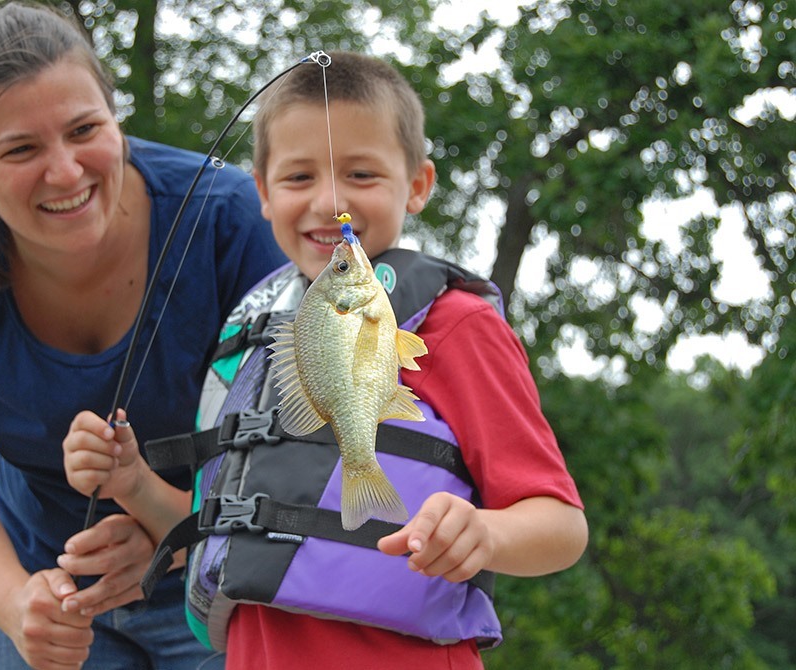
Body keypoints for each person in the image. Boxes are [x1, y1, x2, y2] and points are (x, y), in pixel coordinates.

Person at [63, 51, 588, 669]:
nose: (330, 203)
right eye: (298, 178)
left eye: (362, 175)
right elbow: (223, 527)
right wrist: (132, 481)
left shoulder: (456, 326)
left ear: (417, 185)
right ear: (260, 191)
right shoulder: (257, 337)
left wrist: (485, 533)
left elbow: (560, 527)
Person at [0, 3, 286, 669]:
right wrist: (18, 605)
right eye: (20, 149)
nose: (66, 172)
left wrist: (171, 533)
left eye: (84, 129)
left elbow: (301, 459)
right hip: (36, 580)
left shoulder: (231, 220)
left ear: (114, 114)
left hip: (222, 570)